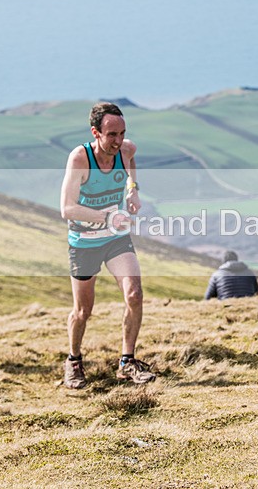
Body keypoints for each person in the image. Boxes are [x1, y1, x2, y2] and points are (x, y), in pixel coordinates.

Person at [60, 102, 155, 388]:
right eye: (112, 134)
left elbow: (131, 161)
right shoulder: (80, 158)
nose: (118, 141)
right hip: (84, 242)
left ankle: (127, 362)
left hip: (115, 239)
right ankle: (74, 361)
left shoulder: (126, 149)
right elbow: (67, 208)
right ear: (95, 132)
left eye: (122, 133)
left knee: (135, 294)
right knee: (83, 311)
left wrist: (133, 191)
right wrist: (108, 216)